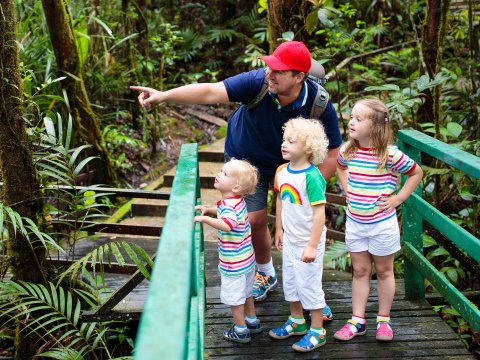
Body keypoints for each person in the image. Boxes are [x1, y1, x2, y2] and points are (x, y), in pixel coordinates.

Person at [131, 41, 342, 304]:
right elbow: (211, 92)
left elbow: (333, 152)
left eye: (278, 71)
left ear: (299, 77)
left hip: (288, 166)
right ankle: (265, 272)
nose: (270, 73)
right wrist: (164, 95)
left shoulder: (318, 103)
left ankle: (303, 290)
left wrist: (310, 183)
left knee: (293, 222)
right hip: (244, 159)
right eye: (269, 67)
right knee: (252, 220)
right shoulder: (258, 82)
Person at [333, 98, 423, 342]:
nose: (351, 122)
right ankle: (357, 320)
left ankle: (383, 320)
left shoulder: (390, 154)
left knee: (384, 271)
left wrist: (398, 198)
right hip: (355, 222)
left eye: (358, 119)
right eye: (351, 117)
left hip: (382, 223)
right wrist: (347, 190)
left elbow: (416, 172)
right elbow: (340, 167)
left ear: (375, 127)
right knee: (360, 271)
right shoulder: (347, 150)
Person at [268, 117, 329, 353]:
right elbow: (282, 201)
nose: (284, 144)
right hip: (291, 238)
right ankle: (297, 321)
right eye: (284, 139)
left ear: (308, 148)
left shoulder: (312, 177)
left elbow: (319, 215)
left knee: (309, 285)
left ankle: (317, 331)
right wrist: (279, 229)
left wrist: (312, 246)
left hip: (308, 241)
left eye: (291, 141)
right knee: (291, 282)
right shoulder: (282, 171)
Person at [194, 159, 261, 343]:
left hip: (234, 262)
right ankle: (251, 321)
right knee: (247, 292)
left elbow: (227, 224)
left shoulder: (230, 205)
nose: (218, 174)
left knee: (235, 297)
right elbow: (224, 211)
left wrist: (204, 220)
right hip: (246, 258)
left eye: (224, 174)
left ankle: (240, 330)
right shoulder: (235, 201)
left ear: (236, 187)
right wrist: (209, 210)